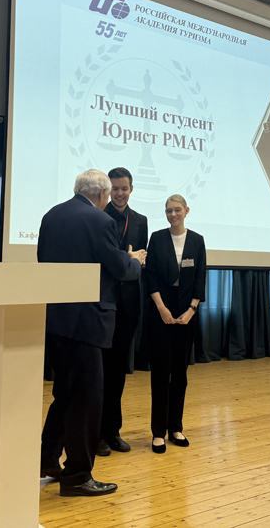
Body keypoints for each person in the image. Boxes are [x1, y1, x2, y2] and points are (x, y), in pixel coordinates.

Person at [38, 169, 146, 497]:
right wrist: (134, 260)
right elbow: (119, 267)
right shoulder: (101, 220)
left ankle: (46, 459)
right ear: (101, 193)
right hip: (87, 322)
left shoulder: (52, 215)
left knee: (65, 393)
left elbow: (43, 260)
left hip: (56, 320)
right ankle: (77, 476)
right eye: (109, 193)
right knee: (86, 400)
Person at [144, 194, 206, 453]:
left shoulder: (197, 240)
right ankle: (158, 432)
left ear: (186, 211)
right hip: (160, 311)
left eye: (177, 210)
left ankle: (175, 428)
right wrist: (161, 308)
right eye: (168, 210)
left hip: (186, 314)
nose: (173, 214)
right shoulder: (157, 238)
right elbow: (150, 276)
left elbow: (200, 277)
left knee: (180, 373)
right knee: (160, 373)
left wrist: (192, 309)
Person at [98, 167, 148, 456]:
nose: (119, 193)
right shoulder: (97, 217)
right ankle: (96, 434)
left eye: (124, 188)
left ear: (131, 189)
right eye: (115, 188)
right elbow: (108, 260)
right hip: (101, 303)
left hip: (128, 306)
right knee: (99, 372)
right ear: (108, 190)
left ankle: (112, 431)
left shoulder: (140, 221)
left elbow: (140, 261)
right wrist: (126, 259)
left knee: (118, 372)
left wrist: (130, 261)